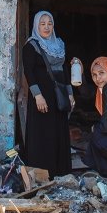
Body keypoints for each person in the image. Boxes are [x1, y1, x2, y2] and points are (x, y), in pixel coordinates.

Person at [21, 10, 75, 177]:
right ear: (36, 26)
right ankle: (42, 174)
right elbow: (29, 72)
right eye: (42, 24)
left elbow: (64, 70)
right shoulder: (31, 45)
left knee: (59, 132)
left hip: (58, 96)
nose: (46, 27)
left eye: (49, 23)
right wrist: (37, 96)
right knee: (43, 133)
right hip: (42, 97)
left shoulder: (59, 44)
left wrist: (70, 93)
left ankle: (61, 172)